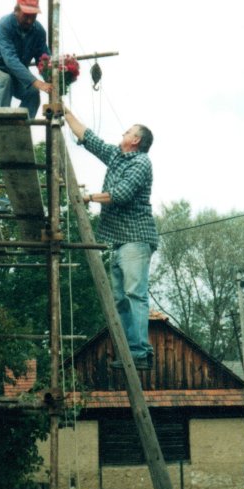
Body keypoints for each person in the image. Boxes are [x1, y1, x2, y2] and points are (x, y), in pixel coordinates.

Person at [64, 107, 158, 369]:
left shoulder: (141, 163)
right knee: (120, 299)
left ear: (136, 140)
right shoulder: (118, 156)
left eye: (128, 132)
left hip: (136, 238)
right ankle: (131, 352)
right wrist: (65, 113)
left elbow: (122, 194)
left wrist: (88, 197)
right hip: (120, 241)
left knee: (134, 294)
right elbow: (90, 139)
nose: (123, 133)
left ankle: (140, 352)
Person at [0, 0, 52, 118]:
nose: (29, 20)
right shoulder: (5, 25)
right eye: (26, 16)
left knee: (33, 93)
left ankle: (22, 125)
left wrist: (53, 78)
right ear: (16, 11)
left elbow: (44, 60)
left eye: (33, 16)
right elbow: (10, 60)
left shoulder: (39, 31)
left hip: (15, 76)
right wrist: (35, 81)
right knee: (4, 80)